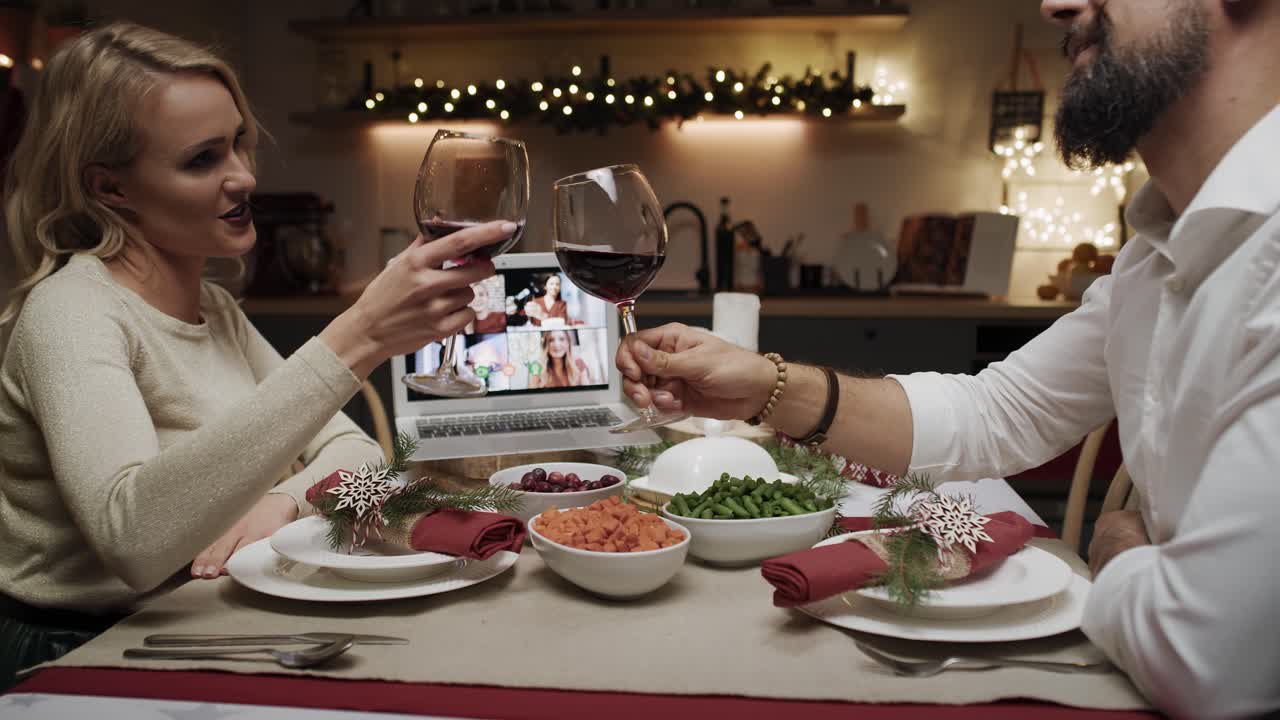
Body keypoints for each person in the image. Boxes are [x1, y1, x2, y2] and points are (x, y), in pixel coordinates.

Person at [616, 2, 1280, 718]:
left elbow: (1211, 663)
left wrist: (1115, 544)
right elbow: (995, 412)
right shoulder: (1154, 253)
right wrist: (763, 387)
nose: (1054, 3)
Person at [0, 22, 508, 688]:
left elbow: (359, 456)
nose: (244, 176)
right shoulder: (71, 312)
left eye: (239, 142)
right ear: (110, 188)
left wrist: (280, 505)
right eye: (202, 159)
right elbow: (134, 538)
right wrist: (356, 336)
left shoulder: (217, 311)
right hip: (79, 654)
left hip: (200, 622)